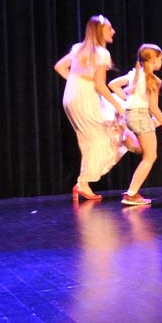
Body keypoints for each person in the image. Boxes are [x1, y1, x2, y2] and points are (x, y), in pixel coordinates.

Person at [54, 15, 127, 200]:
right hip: (85, 97)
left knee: (89, 138)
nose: (113, 31)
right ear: (99, 31)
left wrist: (75, 80)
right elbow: (100, 86)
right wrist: (118, 106)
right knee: (101, 136)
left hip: (71, 96)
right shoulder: (101, 53)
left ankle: (83, 183)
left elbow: (59, 67)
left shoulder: (78, 48)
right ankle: (83, 182)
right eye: (109, 28)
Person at [107, 44, 162, 205]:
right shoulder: (153, 81)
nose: (161, 61)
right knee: (150, 156)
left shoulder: (134, 75)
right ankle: (131, 194)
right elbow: (154, 109)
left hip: (130, 115)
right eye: (160, 58)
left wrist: (127, 100)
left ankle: (155, 142)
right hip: (141, 116)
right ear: (152, 59)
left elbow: (112, 85)